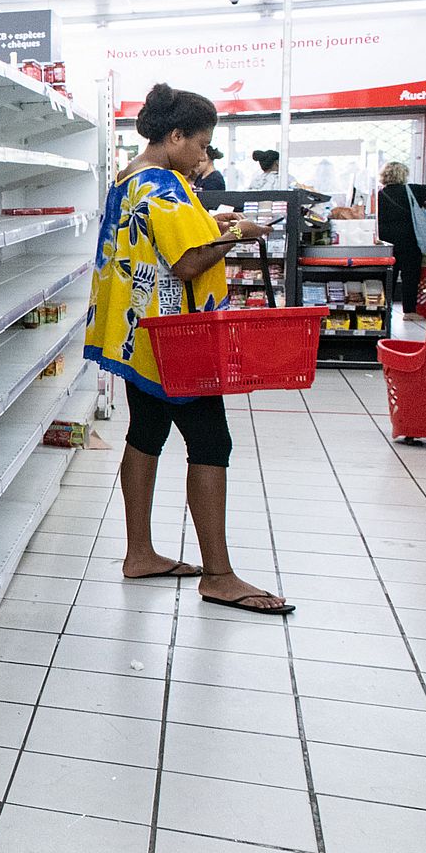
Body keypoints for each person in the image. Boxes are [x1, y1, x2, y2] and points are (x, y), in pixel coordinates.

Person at [86, 84, 292, 614]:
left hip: (138, 335)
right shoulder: (165, 184)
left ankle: (139, 553)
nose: (204, 155)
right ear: (174, 136)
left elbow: (155, 240)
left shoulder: (130, 177)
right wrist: (238, 234)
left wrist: (211, 225)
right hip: (176, 340)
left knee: (147, 433)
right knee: (211, 441)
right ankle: (219, 575)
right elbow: (186, 264)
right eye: (200, 144)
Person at [375, 160, 426, 317]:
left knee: (388, 276)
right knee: (410, 276)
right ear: (404, 175)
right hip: (410, 241)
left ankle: (383, 310)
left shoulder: (379, 194)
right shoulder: (411, 190)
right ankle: (409, 311)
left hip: (386, 244)